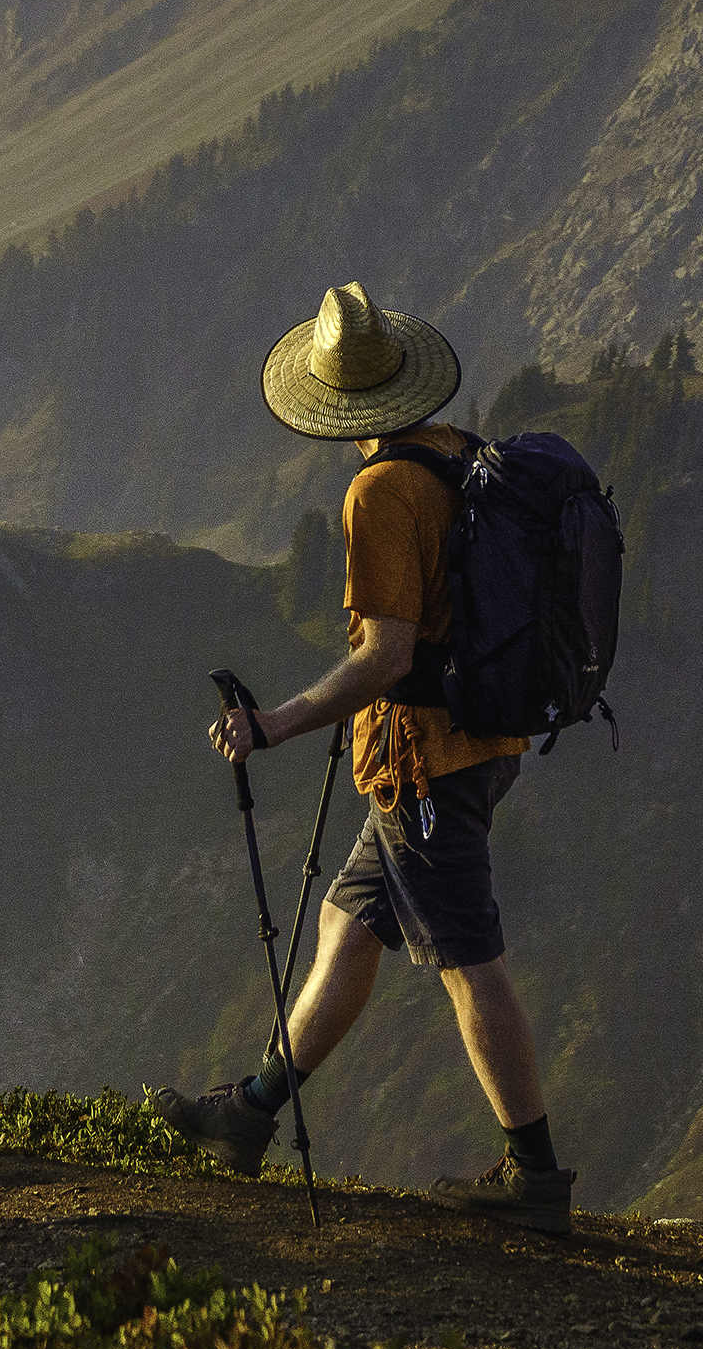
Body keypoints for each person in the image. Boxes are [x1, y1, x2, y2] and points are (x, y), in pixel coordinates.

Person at [154, 279, 576, 1232]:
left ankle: (536, 1177)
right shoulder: (460, 456)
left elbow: (384, 656)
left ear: (338, 409)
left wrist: (275, 725)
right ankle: (249, 1116)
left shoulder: (382, 490)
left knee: (470, 961)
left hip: (425, 763)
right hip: (479, 741)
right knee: (349, 928)